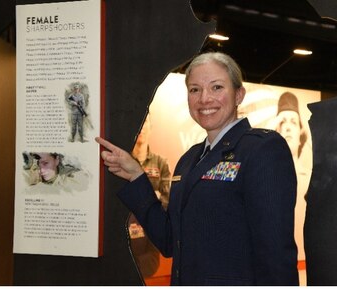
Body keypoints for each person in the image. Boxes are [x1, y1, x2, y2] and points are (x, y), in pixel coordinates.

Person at [96, 52, 299, 285]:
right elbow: (170, 240)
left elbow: (275, 252)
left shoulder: (262, 149)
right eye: (194, 89)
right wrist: (136, 176)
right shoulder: (189, 159)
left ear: (238, 95)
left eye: (217, 87)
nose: (204, 99)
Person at [128, 113, 172, 278]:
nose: (141, 127)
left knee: (148, 270)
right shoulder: (121, 162)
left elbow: (168, 202)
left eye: (145, 122)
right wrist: (152, 196)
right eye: (137, 122)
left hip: (151, 237)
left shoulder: (160, 163)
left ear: (151, 128)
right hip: (126, 236)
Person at [274, 91, 311, 264]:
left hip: (306, 262)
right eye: (282, 122)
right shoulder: (265, 176)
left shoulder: (311, 178)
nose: (287, 127)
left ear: (300, 133)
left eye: (293, 122)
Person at [22, 152, 91, 196]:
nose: (41, 170)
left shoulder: (73, 174)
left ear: (57, 160)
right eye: (38, 164)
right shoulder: (32, 172)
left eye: (45, 163)